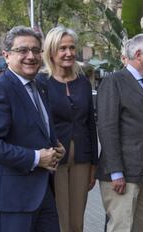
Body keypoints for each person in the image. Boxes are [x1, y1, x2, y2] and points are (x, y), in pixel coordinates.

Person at [0, 26, 65, 232]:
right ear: (6, 55)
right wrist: (35, 158)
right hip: (11, 196)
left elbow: (35, 129)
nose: (31, 56)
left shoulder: (40, 86)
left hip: (43, 192)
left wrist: (55, 149)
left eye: (36, 50)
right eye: (22, 50)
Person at [96, 33, 143, 232]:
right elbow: (107, 128)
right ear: (139, 55)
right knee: (121, 228)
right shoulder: (114, 82)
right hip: (122, 177)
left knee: (142, 228)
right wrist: (116, 172)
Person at [37, 26, 98, 232]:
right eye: (62, 48)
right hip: (55, 160)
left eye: (72, 47)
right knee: (60, 218)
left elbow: (90, 122)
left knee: (77, 220)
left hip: (82, 157)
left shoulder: (83, 82)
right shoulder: (41, 82)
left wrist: (93, 164)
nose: (69, 53)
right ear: (51, 52)